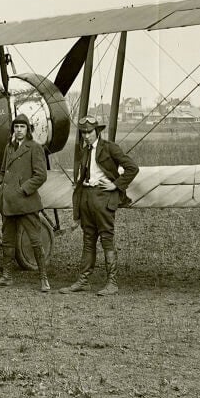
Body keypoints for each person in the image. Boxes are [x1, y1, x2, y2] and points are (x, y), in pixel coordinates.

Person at [59, 114, 139, 296]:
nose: (86, 136)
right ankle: (83, 281)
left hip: (104, 198)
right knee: (88, 241)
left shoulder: (110, 148)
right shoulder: (84, 149)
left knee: (106, 240)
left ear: (97, 131)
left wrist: (116, 185)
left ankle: (112, 283)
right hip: (86, 197)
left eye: (89, 132)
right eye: (83, 133)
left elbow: (132, 168)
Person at [0, 114, 50, 292]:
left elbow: (41, 175)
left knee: (35, 240)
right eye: (16, 127)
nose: (18, 130)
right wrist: (2, 189)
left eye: (22, 127)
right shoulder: (8, 147)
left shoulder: (35, 148)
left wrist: (23, 189)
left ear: (28, 129)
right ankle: (7, 277)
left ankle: (43, 278)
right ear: (13, 130)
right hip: (8, 203)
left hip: (26, 203)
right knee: (7, 241)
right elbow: (3, 171)